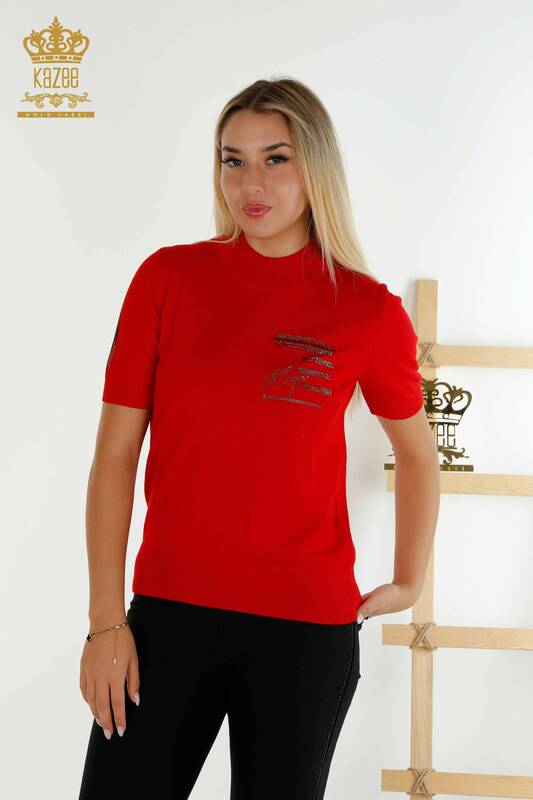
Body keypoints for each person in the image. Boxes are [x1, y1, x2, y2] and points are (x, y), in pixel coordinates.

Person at [78, 77, 440, 799]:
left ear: (315, 167)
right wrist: (104, 621)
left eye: (275, 159)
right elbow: (115, 454)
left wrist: (409, 579)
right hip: (167, 618)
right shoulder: (167, 279)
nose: (251, 183)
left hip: (303, 631)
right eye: (232, 160)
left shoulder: (367, 311)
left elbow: (417, 453)